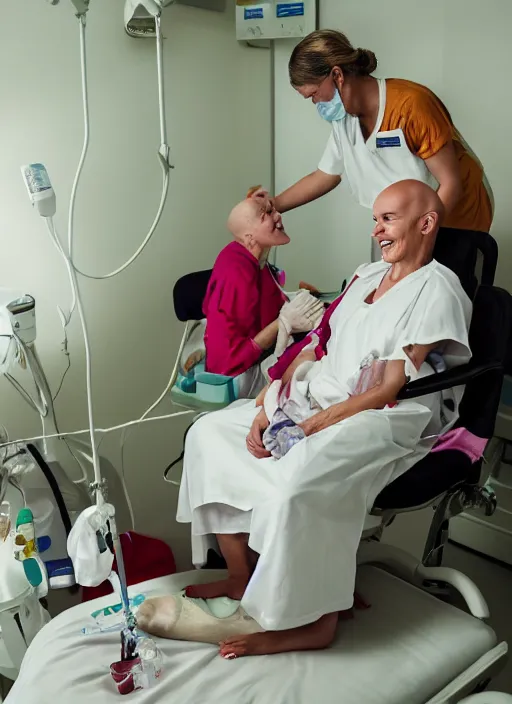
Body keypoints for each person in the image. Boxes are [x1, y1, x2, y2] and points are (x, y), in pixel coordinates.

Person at [176, 180, 472, 658]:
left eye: (388, 219)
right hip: (318, 395)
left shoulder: (436, 290)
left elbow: (389, 388)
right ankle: (239, 573)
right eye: (375, 219)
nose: (377, 230)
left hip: (382, 413)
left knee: (298, 475)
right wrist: (271, 398)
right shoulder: (365, 276)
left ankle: (312, 620)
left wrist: (310, 426)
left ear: (426, 222)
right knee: (208, 434)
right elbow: (317, 344)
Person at [253, 30, 493, 247]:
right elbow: (325, 175)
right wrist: (274, 204)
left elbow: (450, 183)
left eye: (314, 94)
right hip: (410, 222)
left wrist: (418, 240)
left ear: (337, 75)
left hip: (458, 212)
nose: (316, 103)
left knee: (444, 287)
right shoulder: (344, 120)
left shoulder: (412, 105)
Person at [199, 196, 323, 397]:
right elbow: (240, 351)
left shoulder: (255, 260)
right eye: (265, 214)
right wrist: (283, 321)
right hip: (238, 372)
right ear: (249, 237)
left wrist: (296, 299)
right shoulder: (237, 273)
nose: (278, 216)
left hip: (250, 358)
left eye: (273, 210)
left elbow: (265, 308)